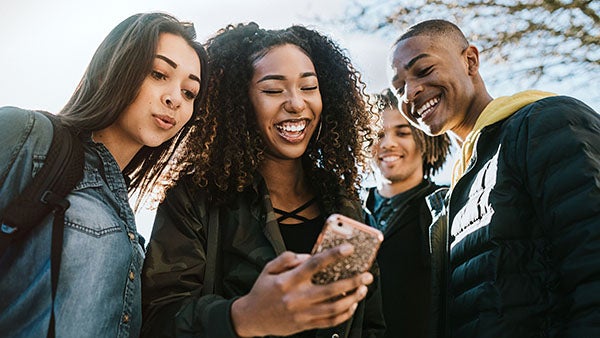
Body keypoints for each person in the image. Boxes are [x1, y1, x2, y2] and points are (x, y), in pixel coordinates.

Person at [141, 22, 386, 338]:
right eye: (273, 90)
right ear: (240, 104)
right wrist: (243, 317)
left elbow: (371, 326)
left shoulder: (346, 204)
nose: (296, 103)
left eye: (309, 87)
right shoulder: (194, 198)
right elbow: (157, 320)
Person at [0, 12, 208, 337]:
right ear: (110, 69)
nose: (174, 99)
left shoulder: (127, 220)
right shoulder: (29, 135)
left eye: (189, 93)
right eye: (158, 73)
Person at [390, 19, 600, 337]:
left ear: (470, 61)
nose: (410, 92)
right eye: (398, 87)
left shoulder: (546, 123)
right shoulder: (456, 190)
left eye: (423, 71)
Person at [363, 88, 451, 338]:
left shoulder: (448, 206)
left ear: (426, 138)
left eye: (402, 132)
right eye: (377, 134)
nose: (388, 143)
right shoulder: (346, 208)